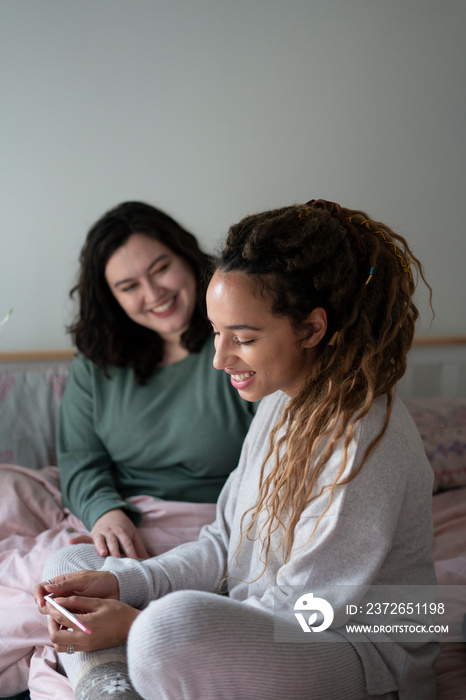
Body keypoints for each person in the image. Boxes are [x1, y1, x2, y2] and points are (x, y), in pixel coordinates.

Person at [35, 199, 437, 700]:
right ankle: (113, 689)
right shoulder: (279, 401)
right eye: (217, 334)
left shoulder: (362, 440)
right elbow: (224, 543)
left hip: (354, 644)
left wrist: (136, 622)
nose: (220, 359)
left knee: (167, 628)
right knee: (70, 567)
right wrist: (124, 587)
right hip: (264, 613)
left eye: (242, 338)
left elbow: (308, 610)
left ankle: (124, 666)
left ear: (312, 328)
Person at [0, 201, 256, 698]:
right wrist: (104, 512)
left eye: (161, 269)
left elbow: (270, 459)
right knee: (40, 587)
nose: (153, 293)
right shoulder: (98, 360)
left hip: (213, 515)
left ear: (188, 260)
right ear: (111, 297)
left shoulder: (238, 345)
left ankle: (106, 677)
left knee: (65, 596)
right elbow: (79, 458)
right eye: (129, 286)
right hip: (118, 516)